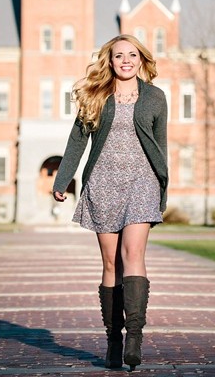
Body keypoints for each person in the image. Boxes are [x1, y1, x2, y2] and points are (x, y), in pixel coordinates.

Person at [52, 34, 168, 372]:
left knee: (133, 255)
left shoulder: (155, 98)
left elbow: (161, 147)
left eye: (132, 55)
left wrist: (161, 188)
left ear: (141, 60)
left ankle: (134, 337)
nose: (126, 61)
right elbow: (77, 141)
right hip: (103, 183)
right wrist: (63, 180)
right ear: (110, 61)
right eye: (119, 56)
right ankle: (113, 339)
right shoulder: (96, 96)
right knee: (110, 265)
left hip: (142, 183)